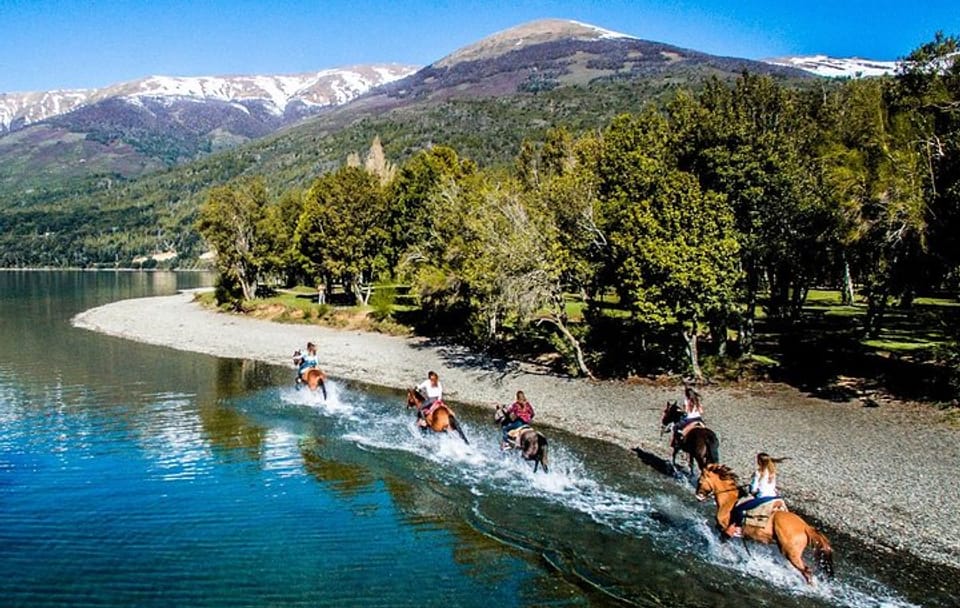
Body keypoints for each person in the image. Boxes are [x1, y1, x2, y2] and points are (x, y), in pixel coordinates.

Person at [725, 452, 787, 538]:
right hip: (774, 496)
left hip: (763, 498)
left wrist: (752, 490)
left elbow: (753, 489)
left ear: (760, 462)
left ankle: (738, 528)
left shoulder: (759, 472)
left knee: (739, 509)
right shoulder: (772, 471)